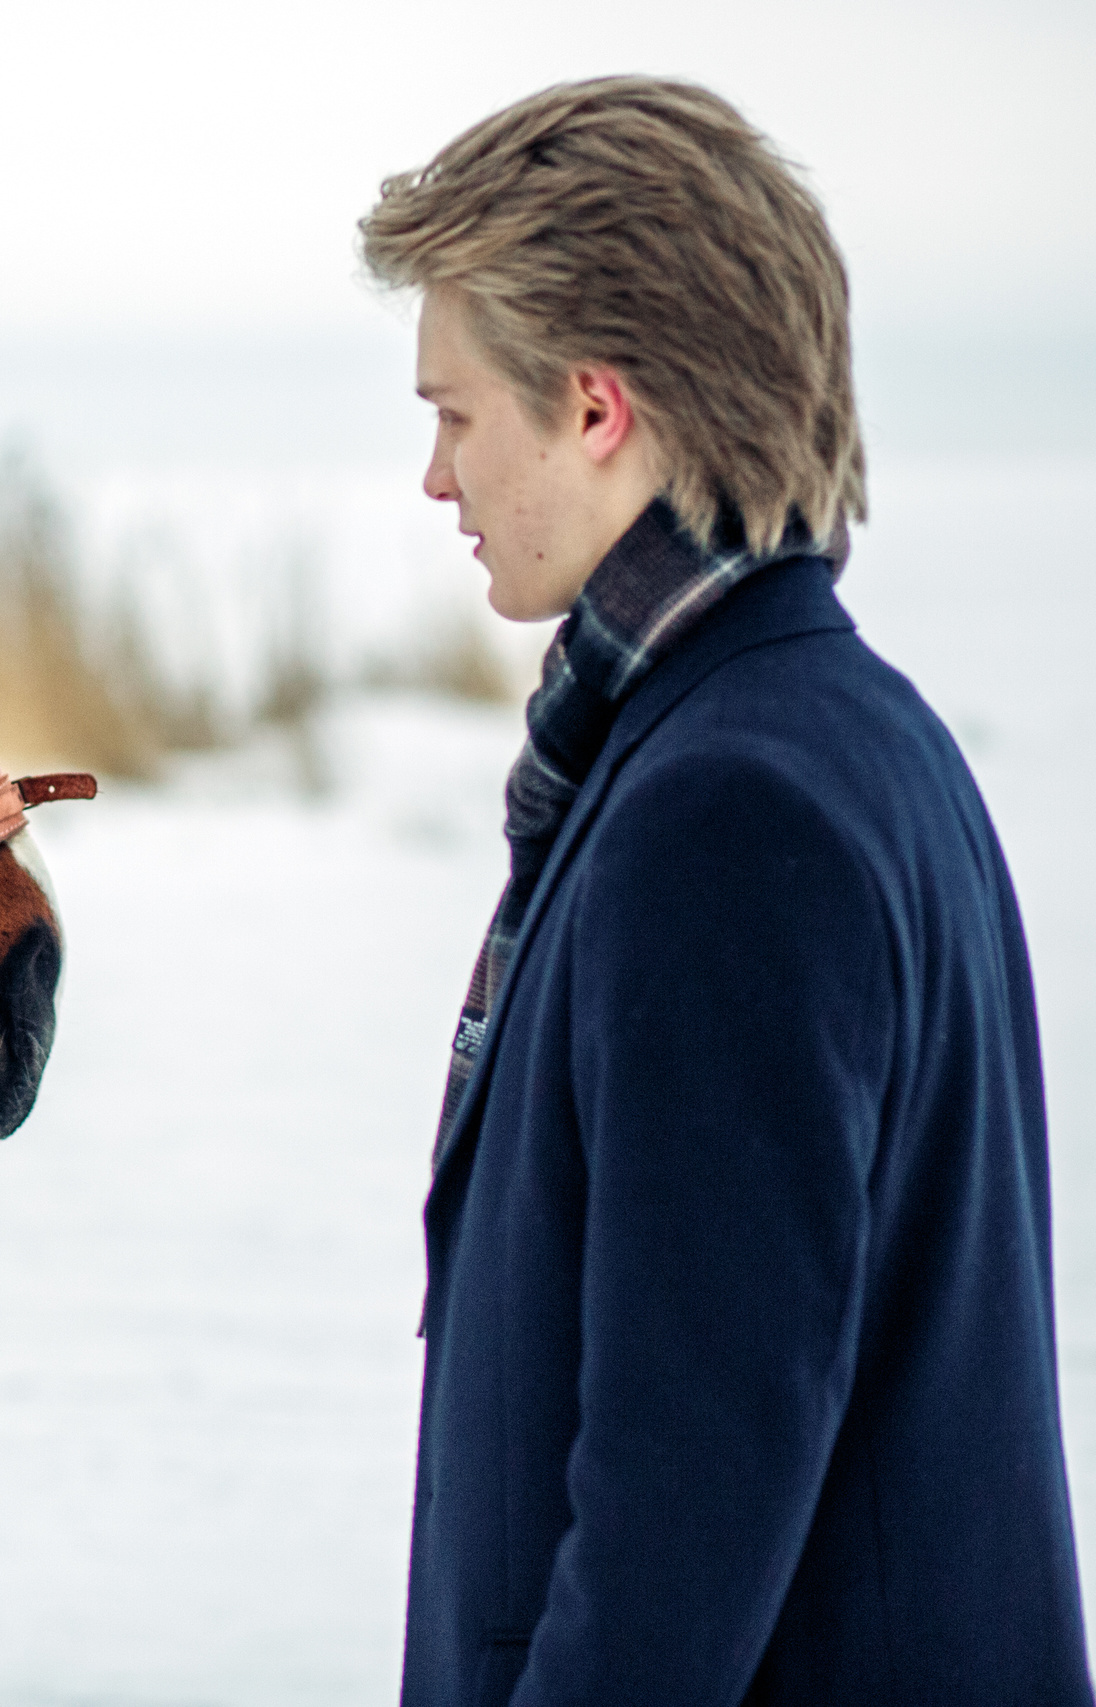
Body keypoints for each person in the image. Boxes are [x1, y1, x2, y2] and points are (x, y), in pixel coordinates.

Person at [363, 80, 1090, 1704]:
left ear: (596, 405)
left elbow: (674, 1517)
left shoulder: (726, 817)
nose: (434, 476)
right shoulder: (852, 739)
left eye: (457, 413)